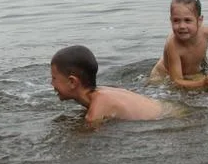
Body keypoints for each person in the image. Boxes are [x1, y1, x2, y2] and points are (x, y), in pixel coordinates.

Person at [51, 45, 183, 127]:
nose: (52, 84)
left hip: (172, 118)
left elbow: (90, 135)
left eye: (54, 78)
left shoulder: (96, 111)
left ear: (72, 82)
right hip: (173, 109)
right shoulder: (101, 92)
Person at [149, 0, 208, 90]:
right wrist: (203, 83)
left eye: (187, 20)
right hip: (163, 76)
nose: (182, 26)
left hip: (190, 74)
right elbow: (176, 81)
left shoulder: (207, 34)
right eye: (176, 20)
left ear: (199, 21)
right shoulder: (173, 45)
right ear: (171, 20)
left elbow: (202, 51)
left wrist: (205, 68)